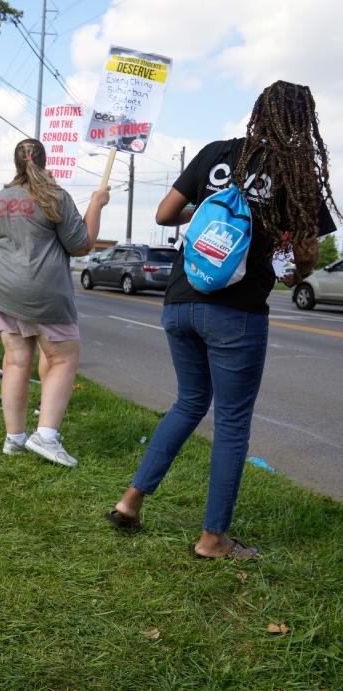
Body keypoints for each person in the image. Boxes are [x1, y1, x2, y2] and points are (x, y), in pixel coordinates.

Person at [107, 81, 338, 559]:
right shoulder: (296, 175)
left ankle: (130, 501)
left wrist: (214, 202)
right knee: (231, 422)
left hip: (179, 301)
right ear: (303, 125)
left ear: (258, 113)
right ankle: (213, 538)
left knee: (189, 402)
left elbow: (167, 212)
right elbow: (308, 255)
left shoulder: (216, 154)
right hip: (237, 313)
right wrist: (297, 269)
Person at [0, 139, 109, 467]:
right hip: (45, 289)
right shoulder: (55, 196)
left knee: (17, 361)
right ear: (45, 162)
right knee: (63, 358)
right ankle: (46, 436)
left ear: (16, 164)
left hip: (2, 288)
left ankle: (14, 438)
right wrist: (96, 204)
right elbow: (81, 246)